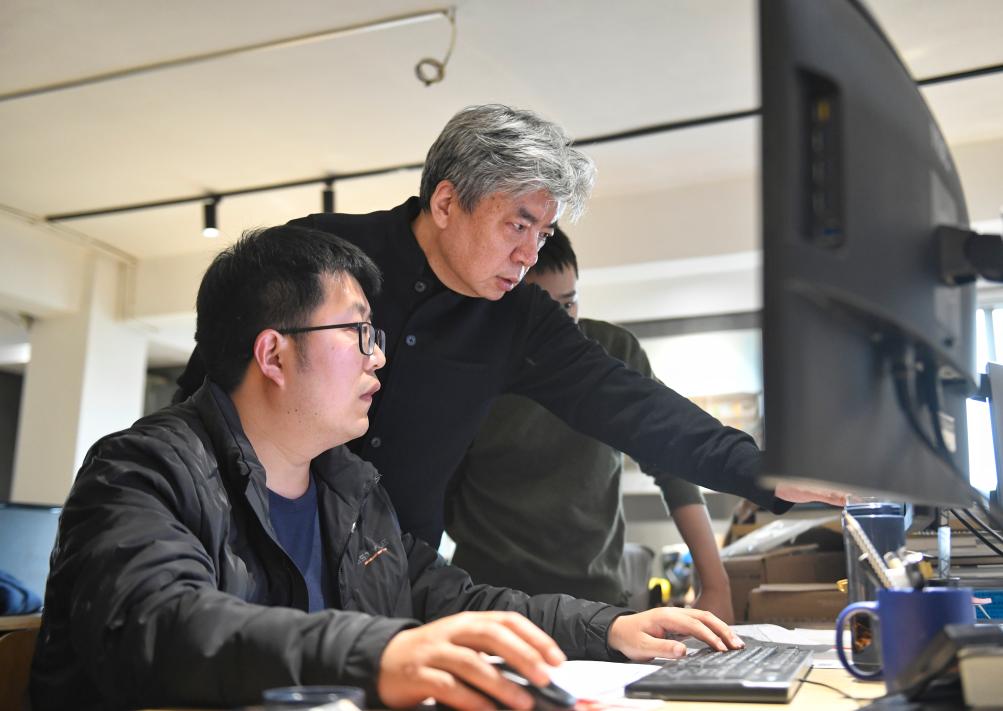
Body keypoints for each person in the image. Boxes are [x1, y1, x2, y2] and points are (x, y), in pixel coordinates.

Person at [30, 225, 744, 711]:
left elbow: (450, 598)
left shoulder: (346, 487)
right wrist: (384, 652)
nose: (379, 356)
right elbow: (165, 627)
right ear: (273, 353)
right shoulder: (143, 470)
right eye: (357, 332)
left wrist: (611, 627)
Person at [175, 104, 843, 550]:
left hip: (392, 569)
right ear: (446, 202)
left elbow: (631, 405)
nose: (529, 254)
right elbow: (207, 388)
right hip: (249, 540)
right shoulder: (322, 257)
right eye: (517, 224)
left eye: (543, 232)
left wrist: (762, 470)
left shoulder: (518, 319)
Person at [446, 227, 734, 621]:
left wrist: (716, 585)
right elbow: (439, 488)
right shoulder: (469, 366)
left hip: (598, 600)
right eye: (540, 308)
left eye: (568, 303)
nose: (559, 323)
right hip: (494, 601)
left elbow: (672, 462)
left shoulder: (613, 350)